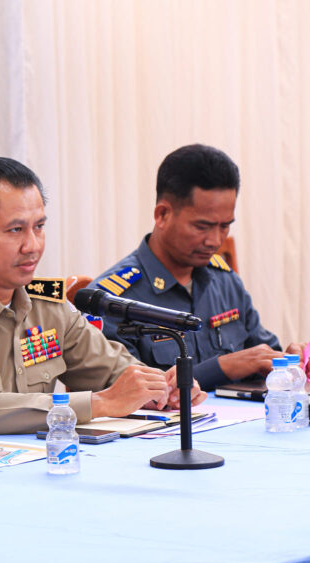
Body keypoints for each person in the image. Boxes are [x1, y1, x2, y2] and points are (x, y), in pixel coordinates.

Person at [0, 157, 204, 435]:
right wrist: (99, 403)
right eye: (16, 230)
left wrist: (161, 388)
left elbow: (112, 371)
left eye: (39, 227)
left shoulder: (46, 303)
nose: (33, 245)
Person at [88, 143, 305, 390]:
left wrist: (290, 361)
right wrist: (221, 368)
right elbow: (124, 392)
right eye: (202, 227)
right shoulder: (111, 300)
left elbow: (262, 356)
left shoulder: (224, 280)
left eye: (225, 226)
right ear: (162, 215)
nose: (215, 241)